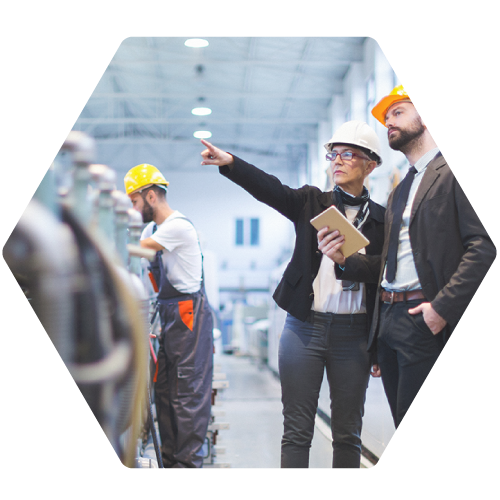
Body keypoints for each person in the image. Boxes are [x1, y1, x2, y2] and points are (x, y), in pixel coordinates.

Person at [200, 120, 385, 469]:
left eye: (348, 154)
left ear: (370, 164)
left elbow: (380, 271)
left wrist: (349, 262)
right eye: (333, 154)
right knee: (297, 431)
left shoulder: (382, 221)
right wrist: (231, 163)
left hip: (354, 336)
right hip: (304, 329)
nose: (337, 161)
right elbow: (271, 190)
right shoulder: (312, 202)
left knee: (348, 435)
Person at [326, 86, 499, 435]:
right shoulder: (400, 190)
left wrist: (441, 310)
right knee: (407, 429)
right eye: (386, 118)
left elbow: (485, 246)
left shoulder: (458, 170)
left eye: (398, 112)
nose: (389, 122)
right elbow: (388, 264)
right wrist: (345, 259)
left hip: (425, 316)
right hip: (389, 319)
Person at [124, 164, 214, 469]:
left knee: (187, 395)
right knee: (164, 392)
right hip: (169, 316)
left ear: (151, 196)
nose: (133, 210)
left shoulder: (177, 226)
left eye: (134, 202)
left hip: (189, 316)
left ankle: (188, 465)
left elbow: (136, 250)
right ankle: (172, 462)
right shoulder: (153, 229)